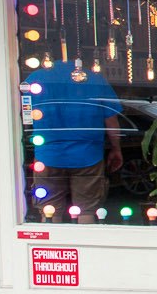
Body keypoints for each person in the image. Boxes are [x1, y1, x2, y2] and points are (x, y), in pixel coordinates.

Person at [31, 67, 123, 222]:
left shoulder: (36, 78)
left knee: (49, 211)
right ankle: (86, 244)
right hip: (88, 156)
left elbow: (21, 111)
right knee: (87, 210)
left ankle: (50, 246)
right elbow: (111, 121)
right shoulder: (94, 79)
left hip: (48, 155)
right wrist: (116, 148)